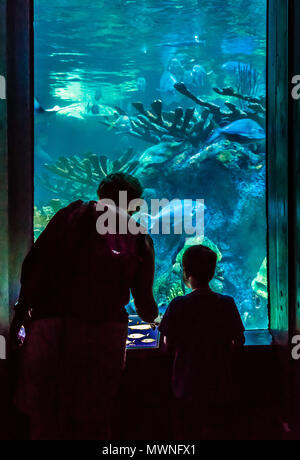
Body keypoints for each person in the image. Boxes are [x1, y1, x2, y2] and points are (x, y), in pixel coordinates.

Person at [11, 172, 158, 440]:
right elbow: (145, 305)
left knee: (45, 420)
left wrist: (20, 316)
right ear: (134, 203)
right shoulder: (138, 236)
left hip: (49, 329)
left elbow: (32, 265)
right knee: (94, 420)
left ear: (101, 192)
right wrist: (157, 319)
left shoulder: (68, 215)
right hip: (101, 336)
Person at [158, 244, 245, 440]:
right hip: (219, 385)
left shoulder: (178, 305)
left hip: (185, 385)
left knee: (186, 431)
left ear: (185, 272)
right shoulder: (227, 303)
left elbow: (167, 344)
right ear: (213, 271)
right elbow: (239, 339)